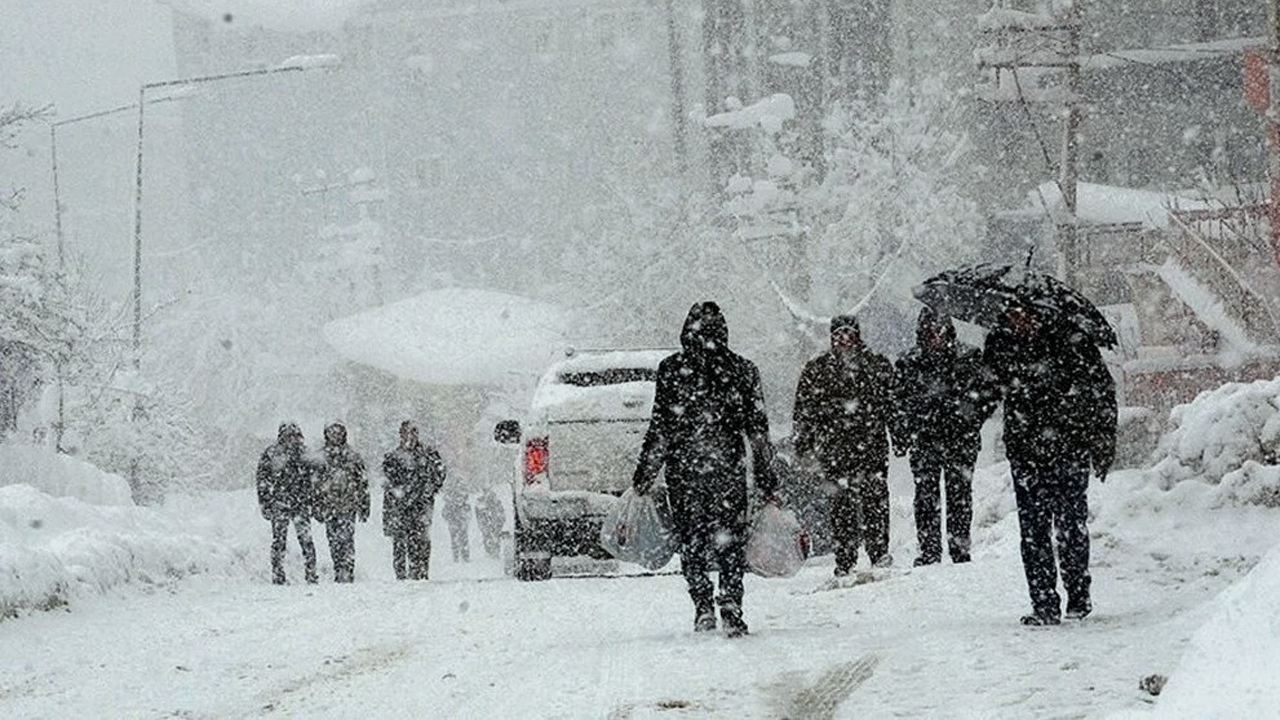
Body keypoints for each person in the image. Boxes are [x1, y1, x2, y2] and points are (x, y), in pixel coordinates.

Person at [632, 301, 778, 638]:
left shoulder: (671, 370)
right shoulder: (742, 369)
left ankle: (702, 605)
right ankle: (731, 604)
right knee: (730, 543)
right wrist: (768, 479)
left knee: (692, 541)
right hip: (727, 470)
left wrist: (645, 474)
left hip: (686, 472)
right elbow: (757, 432)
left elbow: (661, 428)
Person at [984, 304, 1117, 626]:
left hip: (1068, 447)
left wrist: (1102, 440)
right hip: (1027, 451)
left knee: (1070, 526)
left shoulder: (1070, 339)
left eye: (1027, 314)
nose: (1021, 321)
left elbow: (1101, 389)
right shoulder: (1001, 343)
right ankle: (1044, 602)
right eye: (1015, 315)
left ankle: (1078, 594)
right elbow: (987, 390)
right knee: (1033, 531)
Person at [893, 307, 997, 566]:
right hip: (925, 439)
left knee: (959, 495)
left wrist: (972, 417)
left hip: (960, 439)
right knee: (926, 496)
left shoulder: (969, 357)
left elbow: (989, 393)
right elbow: (896, 402)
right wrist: (905, 431)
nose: (935, 336)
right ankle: (929, 550)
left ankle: (959, 548)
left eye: (939, 329)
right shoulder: (908, 363)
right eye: (930, 330)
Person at [793, 314, 896, 576]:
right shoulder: (818, 369)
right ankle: (845, 558)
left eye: (849, 333)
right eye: (839, 334)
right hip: (835, 448)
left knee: (875, 500)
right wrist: (804, 445)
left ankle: (879, 551)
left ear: (858, 335)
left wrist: (900, 436)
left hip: (871, 445)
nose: (844, 339)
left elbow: (893, 405)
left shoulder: (876, 365)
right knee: (842, 506)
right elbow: (804, 411)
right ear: (832, 336)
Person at [382, 421, 446, 580]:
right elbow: (387, 480)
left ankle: (421, 572)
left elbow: (440, 472)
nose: (409, 436)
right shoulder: (393, 457)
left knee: (421, 539)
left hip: (421, 504)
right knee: (399, 541)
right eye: (406, 433)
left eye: (413, 432)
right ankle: (401, 574)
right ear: (400, 435)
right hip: (400, 505)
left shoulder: (428, 454)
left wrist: (430, 488)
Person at [256, 421, 318, 585]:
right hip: (281, 503)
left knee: (306, 541)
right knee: (279, 541)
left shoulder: (304, 454)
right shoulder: (272, 453)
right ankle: (278, 574)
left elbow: (314, 480)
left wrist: (313, 500)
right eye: (288, 434)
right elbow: (262, 480)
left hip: (299, 503)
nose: (291, 438)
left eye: (293, 434)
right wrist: (265, 502)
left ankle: (311, 574)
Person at [313, 421, 370, 583]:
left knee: (347, 539)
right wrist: (316, 505)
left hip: (348, 506)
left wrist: (364, 505)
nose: (336, 436)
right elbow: (314, 484)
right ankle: (338, 569)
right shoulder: (320, 457)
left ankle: (347, 570)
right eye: (332, 433)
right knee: (333, 540)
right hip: (329, 506)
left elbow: (362, 482)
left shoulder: (353, 456)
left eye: (339, 433)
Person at [442, 482, 472, 563]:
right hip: (457, 524)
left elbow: (445, 514)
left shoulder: (451, 504)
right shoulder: (453, 505)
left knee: (459, 540)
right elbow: (445, 514)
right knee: (460, 539)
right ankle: (462, 556)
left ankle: (460, 556)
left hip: (457, 524)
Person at [474, 488, 505, 559]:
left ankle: (493, 552)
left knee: (492, 537)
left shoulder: (493, 502)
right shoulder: (482, 502)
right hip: (490, 522)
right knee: (491, 537)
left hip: (493, 522)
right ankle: (492, 552)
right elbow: (479, 513)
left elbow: (501, 513)